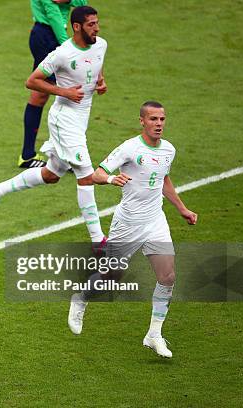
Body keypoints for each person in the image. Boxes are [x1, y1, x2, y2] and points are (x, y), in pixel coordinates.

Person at [67, 101, 198, 358]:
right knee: (112, 276)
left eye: (162, 119)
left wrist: (182, 208)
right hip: (127, 223)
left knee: (168, 277)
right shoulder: (130, 148)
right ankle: (81, 298)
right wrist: (110, 179)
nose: (158, 124)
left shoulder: (168, 150)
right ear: (142, 121)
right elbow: (95, 174)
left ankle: (154, 334)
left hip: (155, 221)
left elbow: (164, 180)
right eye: (153, 119)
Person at [0, 6, 107, 248]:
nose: (97, 28)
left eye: (97, 23)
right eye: (91, 24)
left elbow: (96, 69)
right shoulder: (62, 54)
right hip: (64, 119)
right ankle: (98, 240)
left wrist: (101, 83)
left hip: (81, 120)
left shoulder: (101, 45)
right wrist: (64, 91)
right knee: (86, 175)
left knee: (51, 175)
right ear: (77, 26)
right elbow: (32, 81)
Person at [20, 0, 88, 168]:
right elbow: (53, 14)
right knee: (49, 92)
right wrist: (69, 46)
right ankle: (33, 155)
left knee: (44, 95)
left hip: (57, 37)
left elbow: (82, 5)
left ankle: (63, 155)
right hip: (47, 36)